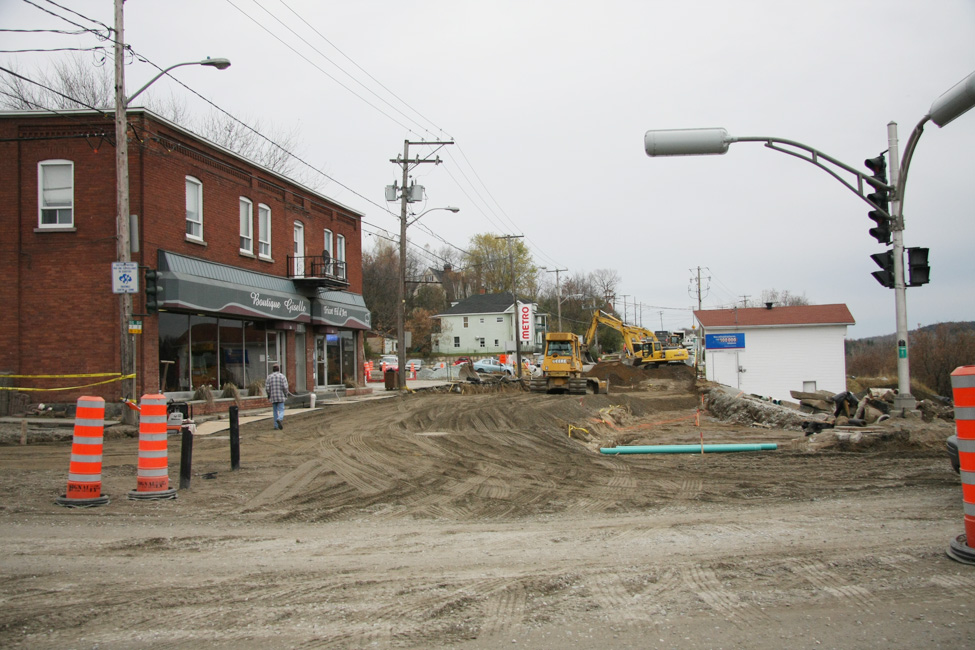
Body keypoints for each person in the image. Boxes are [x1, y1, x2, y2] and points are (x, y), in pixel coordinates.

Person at [266, 364, 290, 430]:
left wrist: (269, 394)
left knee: (275, 411)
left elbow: (267, 388)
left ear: (273, 369)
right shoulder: (282, 376)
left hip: (273, 396)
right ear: (278, 369)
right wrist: (286, 394)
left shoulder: (269, 377)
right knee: (281, 410)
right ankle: (280, 418)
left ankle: (276, 426)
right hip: (281, 396)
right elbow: (285, 387)